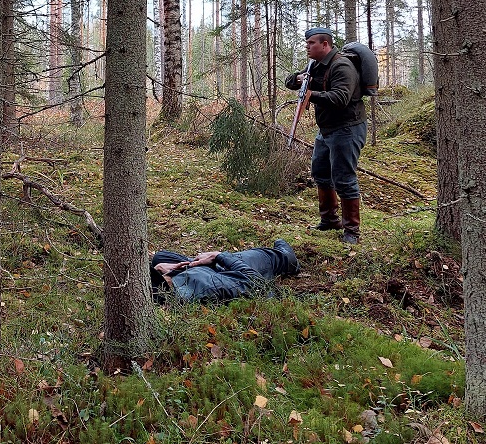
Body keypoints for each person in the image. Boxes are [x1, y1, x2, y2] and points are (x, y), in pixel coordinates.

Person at [284, 26, 366, 244]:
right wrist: (299, 80)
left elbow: (340, 98)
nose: (307, 47)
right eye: (307, 43)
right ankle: (329, 220)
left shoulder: (342, 66)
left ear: (325, 44)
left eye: (311, 43)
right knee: (321, 172)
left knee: (344, 178)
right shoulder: (315, 65)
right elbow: (291, 82)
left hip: (347, 129)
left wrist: (311, 94)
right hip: (327, 129)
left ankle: (352, 231)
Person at [149, 240, 299, 303]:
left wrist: (160, 269)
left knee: (160, 258)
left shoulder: (171, 285)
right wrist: (219, 256)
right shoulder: (207, 287)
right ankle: (285, 260)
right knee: (261, 258)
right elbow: (254, 282)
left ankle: (202, 261)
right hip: (224, 274)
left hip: (205, 273)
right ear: (165, 282)